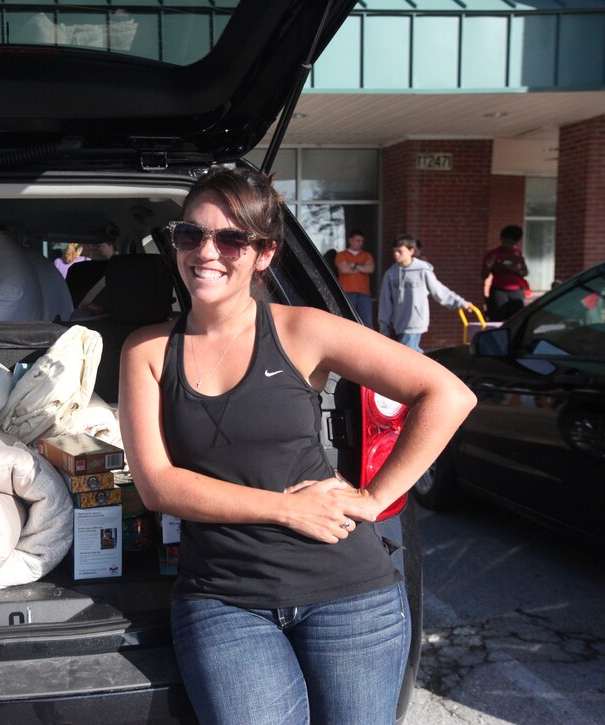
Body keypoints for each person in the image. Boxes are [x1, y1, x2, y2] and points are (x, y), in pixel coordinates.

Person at [118, 167, 476, 724]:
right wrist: (288, 508)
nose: (207, 251)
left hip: (351, 594)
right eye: (191, 234)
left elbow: (447, 393)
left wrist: (374, 499)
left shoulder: (302, 330)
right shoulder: (148, 350)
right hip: (224, 600)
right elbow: (159, 485)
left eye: (231, 238)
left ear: (263, 253)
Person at [378, 234, 474, 353]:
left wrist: (461, 303)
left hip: (415, 320)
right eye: (394, 251)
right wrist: (384, 327)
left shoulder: (422, 270)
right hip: (399, 322)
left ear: (411, 251)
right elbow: (385, 302)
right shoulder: (391, 274)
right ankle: (431, 365)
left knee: (406, 354)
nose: (396, 254)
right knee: (414, 353)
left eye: (400, 251)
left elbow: (439, 291)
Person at [481, 225, 529, 322]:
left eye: (514, 243)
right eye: (509, 242)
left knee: (517, 320)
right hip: (499, 290)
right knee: (498, 319)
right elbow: (484, 275)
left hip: (517, 291)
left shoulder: (517, 254)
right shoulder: (493, 254)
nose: (511, 246)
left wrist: (516, 270)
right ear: (502, 240)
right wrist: (490, 266)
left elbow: (525, 272)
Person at [334, 229, 375, 328]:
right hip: (347, 292)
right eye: (358, 240)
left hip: (364, 294)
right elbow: (344, 269)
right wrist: (362, 268)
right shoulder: (342, 255)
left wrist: (354, 266)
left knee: (367, 323)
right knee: (347, 322)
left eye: (361, 241)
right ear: (351, 240)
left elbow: (370, 269)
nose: (360, 243)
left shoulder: (366, 255)